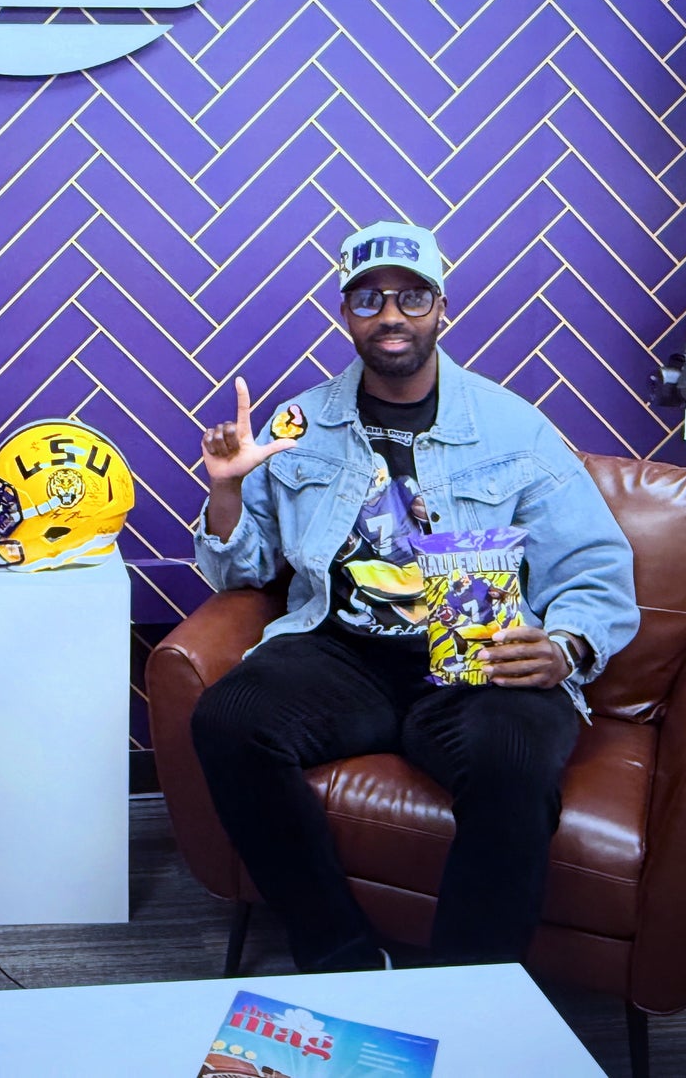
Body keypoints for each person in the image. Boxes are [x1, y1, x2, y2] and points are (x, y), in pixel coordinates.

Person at [189, 221, 638, 972]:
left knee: (514, 757)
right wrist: (227, 491)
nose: (390, 315)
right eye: (368, 299)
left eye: (411, 296)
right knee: (227, 719)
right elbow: (241, 573)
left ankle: (465, 988)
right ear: (345, 313)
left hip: (476, 659)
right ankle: (342, 960)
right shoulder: (300, 425)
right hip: (342, 655)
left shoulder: (513, 428)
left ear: (442, 309)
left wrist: (565, 648)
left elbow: (595, 564)